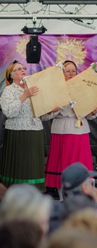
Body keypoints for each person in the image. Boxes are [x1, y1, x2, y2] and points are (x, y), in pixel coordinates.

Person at [42, 60, 97, 200]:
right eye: (68, 71)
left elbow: (90, 113)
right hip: (62, 130)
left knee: (80, 162)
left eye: (73, 71)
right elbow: (44, 115)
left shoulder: (83, 88)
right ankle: (62, 197)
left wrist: (92, 112)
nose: (71, 73)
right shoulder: (55, 90)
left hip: (80, 130)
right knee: (63, 163)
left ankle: (82, 197)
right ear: (62, 73)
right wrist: (57, 108)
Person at [0, 61, 45, 190]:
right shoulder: (9, 91)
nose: (23, 70)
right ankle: (15, 199)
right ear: (12, 75)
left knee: (33, 168)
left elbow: (44, 116)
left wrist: (52, 110)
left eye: (24, 68)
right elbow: (8, 112)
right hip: (17, 134)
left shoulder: (34, 89)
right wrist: (24, 95)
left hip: (36, 133)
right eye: (19, 69)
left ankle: (35, 198)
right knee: (19, 167)